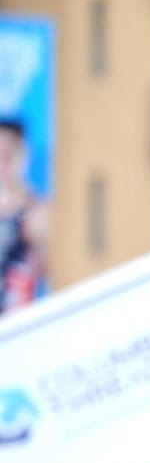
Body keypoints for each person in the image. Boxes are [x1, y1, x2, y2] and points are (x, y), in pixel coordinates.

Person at [0, 118, 49, 315]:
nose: (3, 163)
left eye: (8, 155)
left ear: (23, 155)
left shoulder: (37, 213)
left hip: (16, 326)